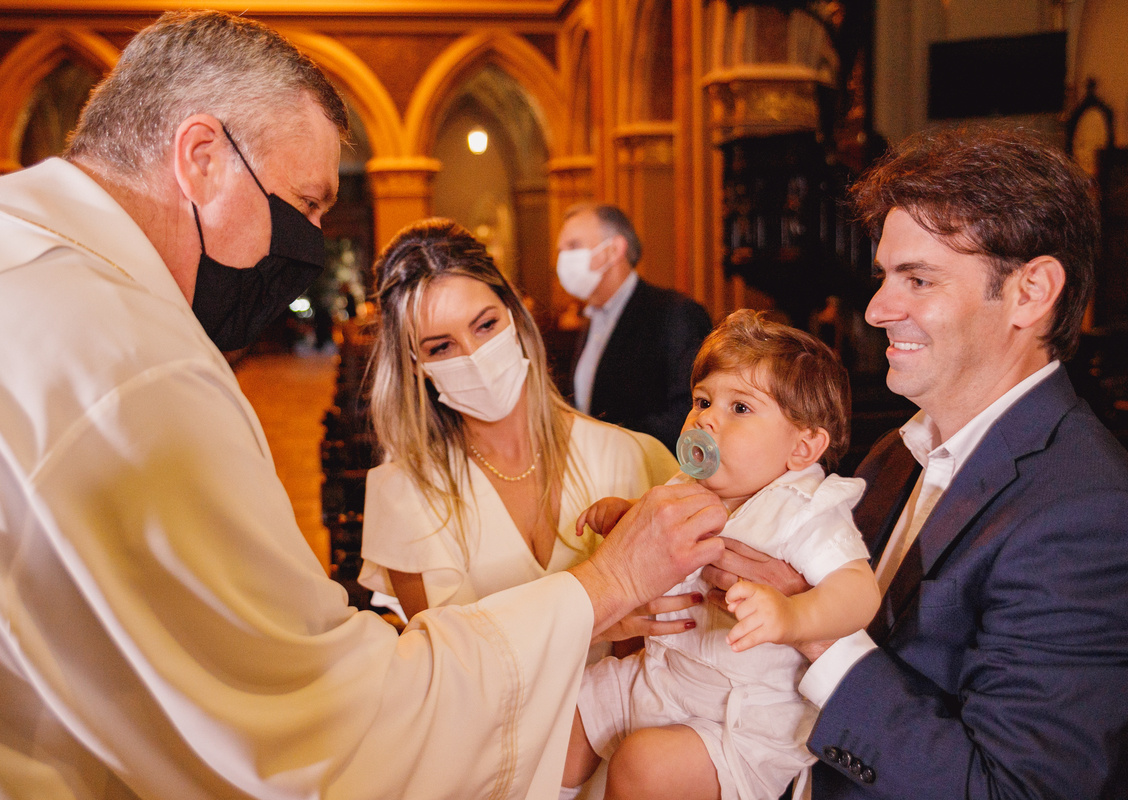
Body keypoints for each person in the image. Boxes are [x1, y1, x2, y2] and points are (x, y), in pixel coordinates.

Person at [0, 11, 732, 799]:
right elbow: (325, 735)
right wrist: (605, 587)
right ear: (202, 156)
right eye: (305, 205)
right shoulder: (134, 363)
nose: (309, 243)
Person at [705, 127, 1128, 798]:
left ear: (1031, 291)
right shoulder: (895, 452)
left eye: (918, 279)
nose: (876, 309)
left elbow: (1012, 790)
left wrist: (818, 632)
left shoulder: (1086, 510)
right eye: (883, 277)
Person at [561, 310, 880, 800]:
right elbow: (661, 535)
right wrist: (626, 516)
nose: (706, 417)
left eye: (741, 408)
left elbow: (859, 592)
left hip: (744, 716)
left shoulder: (802, 510)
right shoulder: (688, 485)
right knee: (556, 718)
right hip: (660, 678)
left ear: (803, 446)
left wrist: (794, 614)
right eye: (703, 400)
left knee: (643, 765)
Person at [358, 219, 678, 652]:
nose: (474, 356)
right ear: (416, 363)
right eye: (441, 346)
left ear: (514, 315)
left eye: (485, 325)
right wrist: (596, 622)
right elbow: (450, 668)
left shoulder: (629, 456)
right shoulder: (406, 492)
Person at [556, 203, 712, 448]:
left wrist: (607, 441)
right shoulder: (592, 319)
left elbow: (692, 410)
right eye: (561, 250)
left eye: (573, 246)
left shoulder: (673, 313)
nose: (562, 259)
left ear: (615, 249)